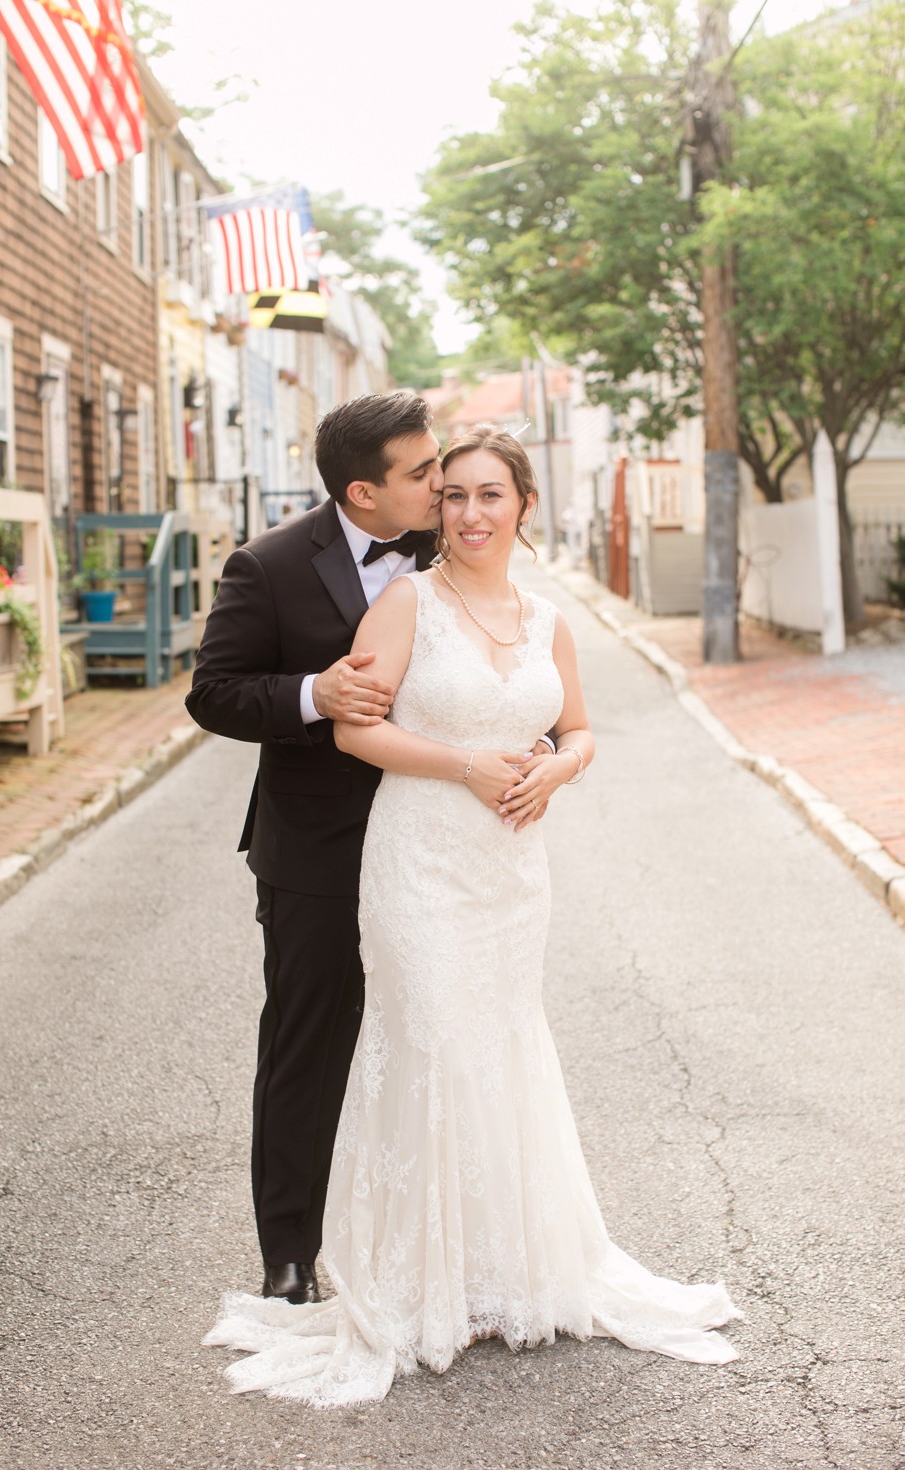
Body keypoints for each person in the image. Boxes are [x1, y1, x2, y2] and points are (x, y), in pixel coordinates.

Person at [204, 426, 742, 1404]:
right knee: (383, 1045)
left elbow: (577, 727)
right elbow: (347, 722)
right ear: (394, 495)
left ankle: (504, 1269)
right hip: (405, 857)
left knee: (501, 1048)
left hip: (508, 867)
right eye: (445, 493)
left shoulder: (546, 618)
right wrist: (452, 758)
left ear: (523, 505)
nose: (464, 511)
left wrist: (556, 767)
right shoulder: (396, 593)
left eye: (486, 494)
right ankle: (372, 1270)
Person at [185, 391, 446, 1307]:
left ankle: (438, 1242)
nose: (442, 482)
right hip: (315, 850)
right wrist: (310, 697)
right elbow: (214, 693)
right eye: (421, 471)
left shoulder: (456, 546)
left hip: (441, 839)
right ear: (363, 494)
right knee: (309, 1043)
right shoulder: (268, 565)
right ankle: (288, 1253)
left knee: (440, 1039)